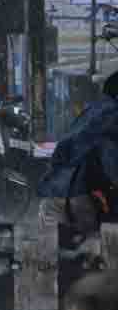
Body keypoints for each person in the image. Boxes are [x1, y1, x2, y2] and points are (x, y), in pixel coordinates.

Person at [37, 71, 118, 251]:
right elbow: (109, 156)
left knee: (57, 261)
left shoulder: (91, 112)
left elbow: (62, 151)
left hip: (51, 194)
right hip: (82, 197)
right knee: (92, 260)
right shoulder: (112, 117)